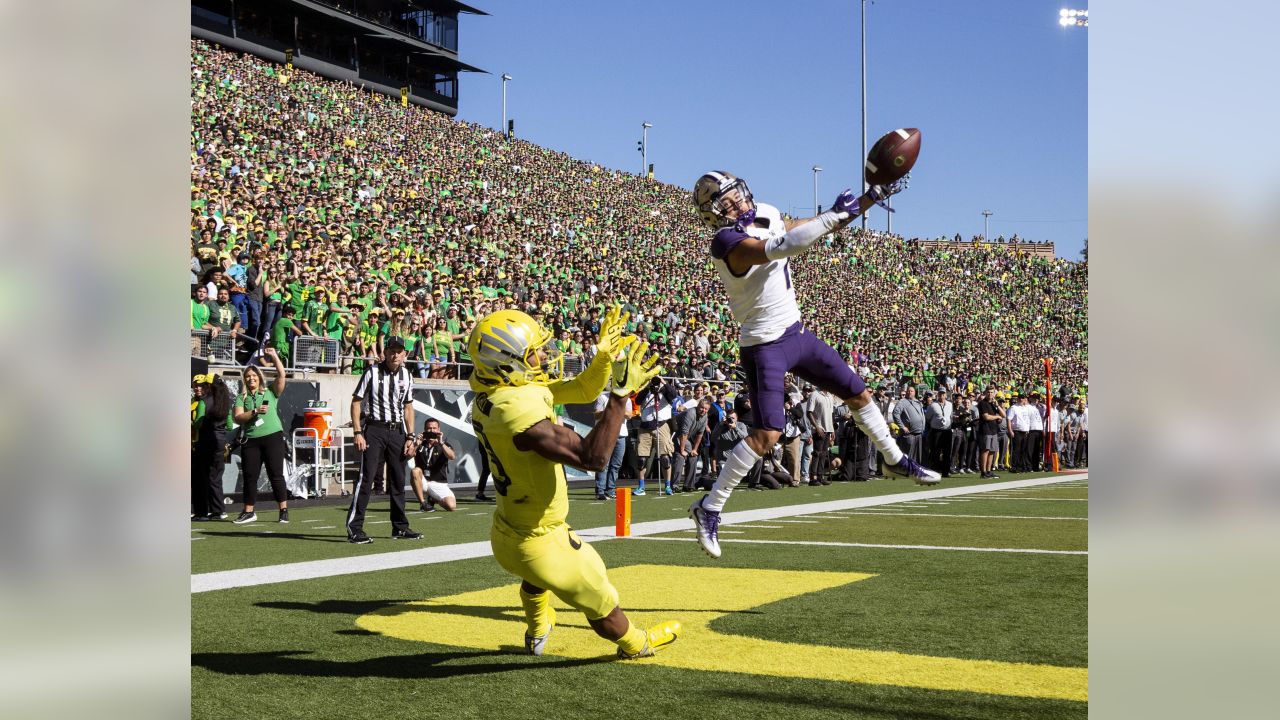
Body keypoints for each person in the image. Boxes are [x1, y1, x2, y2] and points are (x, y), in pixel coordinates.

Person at [687, 170, 938, 558]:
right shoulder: (725, 241)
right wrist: (831, 216)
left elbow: (807, 226)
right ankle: (710, 508)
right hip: (764, 344)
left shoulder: (766, 211)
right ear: (713, 214)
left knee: (858, 393)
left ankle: (894, 460)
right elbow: (785, 245)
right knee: (768, 433)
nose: (736, 203)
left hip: (797, 334)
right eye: (726, 202)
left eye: (736, 194)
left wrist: (868, 199)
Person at [467, 304, 680, 658]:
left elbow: (580, 389)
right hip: (536, 539)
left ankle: (537, 626)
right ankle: (635, 644)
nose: (542, 356)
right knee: (600, 598)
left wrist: (603, 359)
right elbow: (592, 458)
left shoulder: (498, 393)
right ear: (506, 361)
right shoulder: (513, 409)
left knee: (540, 577)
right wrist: (620, 396)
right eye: (532, 352)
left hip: (511, 526)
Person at [347, 337, 420, 544]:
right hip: (375, 429)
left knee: (397, 479)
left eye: (399, 351)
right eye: (392, 350)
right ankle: (354, 528)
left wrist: (410, 436)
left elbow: (408, 407)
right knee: (366, 479)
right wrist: (358, 432)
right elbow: (356, 402)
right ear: (385, 352)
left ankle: (400, 527)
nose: (395, 354)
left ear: (405, 354)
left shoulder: (407, 374)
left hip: (397, 431)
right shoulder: (372, 372)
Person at [231, 348, 291, 524]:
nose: (251, 378)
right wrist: (255, 411)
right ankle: (249, 511)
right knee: (250, 476)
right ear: (244, 379)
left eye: (254, 375)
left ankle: (283, 510)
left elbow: (281, 375)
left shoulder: (270, 392)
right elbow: (238, 417)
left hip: (272, 436)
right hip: (251, 440)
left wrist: (274, 356)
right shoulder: (241, 397)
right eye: (248, 376)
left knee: (276, 474)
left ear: (259, 377)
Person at [191, 373, 234, 520]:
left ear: (209, 386)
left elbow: (198, 423)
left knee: (202, 477)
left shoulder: (204, 402)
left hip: (205, 441)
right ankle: (218, 510)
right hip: (220, 441)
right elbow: (229, 425)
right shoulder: (225, 402)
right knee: (216, 476)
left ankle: (203, 512)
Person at [592, 387, 631, 500]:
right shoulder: (603, 397)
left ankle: (610, 489)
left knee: (616, 464)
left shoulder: (626, 399)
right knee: (603, 463)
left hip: (621, 434)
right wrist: (608, 409)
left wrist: (619, 409)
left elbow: (629, 415)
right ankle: (600, 490)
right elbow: (596, 414)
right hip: (606, 434)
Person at [410, 418, 457, 512]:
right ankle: (422, 503)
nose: (431, 430)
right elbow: (408, 456)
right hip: (423, 480)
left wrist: (441, 443)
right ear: (424, 429)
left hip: (438, 483)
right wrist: (416, 444)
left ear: (439, 430)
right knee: (415, 471)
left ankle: (433, 498)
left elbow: (452, 456)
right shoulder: (420, 443)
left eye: (434, 428)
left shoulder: (443, 444)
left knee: (451, 506)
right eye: (429, 428)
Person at [976, 387, 1003, 479]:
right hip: (985, 430)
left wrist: (997, 406)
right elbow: (986, 417)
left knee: (992, 451)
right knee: (985, 450)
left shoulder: (993, 404)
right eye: (988, 392)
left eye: (992, 392)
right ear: (985, 393)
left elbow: (1004, 415)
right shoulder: (982, 403)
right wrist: (996, 417)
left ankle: (988, 471)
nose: (990, 394)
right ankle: (983, 472)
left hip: (993, 430)